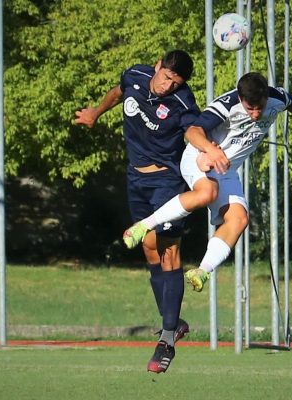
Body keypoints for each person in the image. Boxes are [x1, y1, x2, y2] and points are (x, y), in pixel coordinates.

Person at [122, 72, 292, 292]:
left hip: (226, 170)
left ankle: (202, 271)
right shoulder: (227, 105)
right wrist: (210, 150)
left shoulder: (276, 97)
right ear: (241, 99)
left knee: (239, 220)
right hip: (198, 158)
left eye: (260, 107)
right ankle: (143, 226)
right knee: (207, 192)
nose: (256, 114)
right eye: (251, 109)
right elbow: (192, 132)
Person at [75, 50, 200, 373]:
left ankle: (168, 339)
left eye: (176, 82)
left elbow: (192, 131)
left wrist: (209, 150)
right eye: (166, 77)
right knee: (148, 247)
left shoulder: (183, 103)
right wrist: (96, 113)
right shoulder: (135, 75)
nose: (168, 86)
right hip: (136, 178)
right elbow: (118, 92)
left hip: (168, 182)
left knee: (170, 252)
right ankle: (174, 323)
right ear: (157, 66)